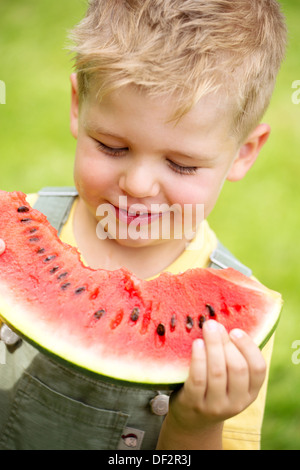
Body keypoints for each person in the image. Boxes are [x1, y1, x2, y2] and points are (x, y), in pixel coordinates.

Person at [0, 0, 287, 450]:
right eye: (112, 146)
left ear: (246, 151)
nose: (137, 184)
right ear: (78, 106)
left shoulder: (231, 331)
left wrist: (195, 426)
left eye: (181, 164)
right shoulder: (10, 241)